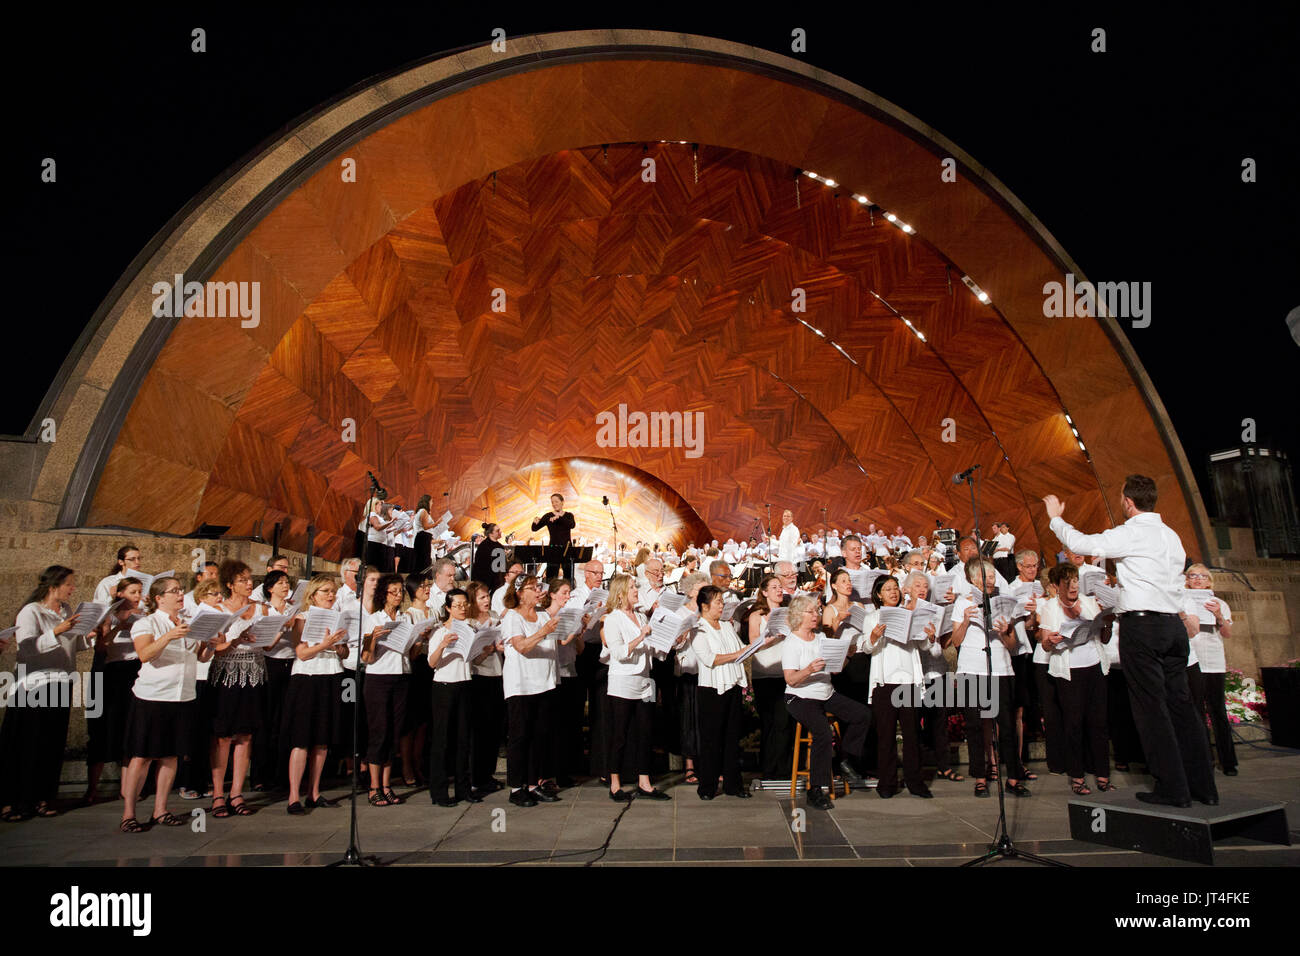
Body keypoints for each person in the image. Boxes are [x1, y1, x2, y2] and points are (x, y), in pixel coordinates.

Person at [1044, 476, 1217, 808]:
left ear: (1128, 502)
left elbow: (1080, 544)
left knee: (1152, 708)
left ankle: (1172, 788)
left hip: (1144, 627)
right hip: (1173, 627)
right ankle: (1203, 788)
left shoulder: (1132, 532)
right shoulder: (1172, 536)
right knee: (1182, 706)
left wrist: (1055, 518)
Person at [118, 577, 212, 831]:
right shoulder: (147, 623)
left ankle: (161, 809)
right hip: (153, 696)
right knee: (143, 756)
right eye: (174, 591)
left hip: (182, 695)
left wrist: (211, 643)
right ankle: (129, 812)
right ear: (159, 598)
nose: (180, 594)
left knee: (171, 755)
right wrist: (169, 636)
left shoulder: (188, 624)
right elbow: (145, 654)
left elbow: (199, 656)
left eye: (181, 590)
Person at [0, 566, 87, 821]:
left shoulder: (67, 611)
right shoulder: (31, 611)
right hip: (33, 685)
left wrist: (86, 635)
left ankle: (43, 797)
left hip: (61, 681)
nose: (72, 589)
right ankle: (13, 801)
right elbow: (27, 650)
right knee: (27, 744)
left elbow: (71, 645)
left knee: (51, 743)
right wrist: (57, 631)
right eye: (69, 584)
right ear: (53, 587)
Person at [949, 557, 1031, 798]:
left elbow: (1013, 644)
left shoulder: (1005, 602)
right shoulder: (963, 602)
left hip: (1000, 668)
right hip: (972, 667)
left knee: (1006, 724)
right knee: (974, 725)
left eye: (993, 576)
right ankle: (980, 777)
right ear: (973, 579)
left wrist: (1005, 632)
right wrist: (965, 620)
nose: (992, 581)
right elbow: (956, 641)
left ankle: (1014, 778)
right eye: (986, 577)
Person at [782, 594, 870, 811]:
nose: (815, 615)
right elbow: (791, 679)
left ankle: (844, 759)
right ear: (797, 615)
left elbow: (835, 669)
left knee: (862, 714)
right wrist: (809, 670)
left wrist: (845, 656)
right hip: (800, 696)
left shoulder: (821, 638)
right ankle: (815, 789)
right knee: (822, 731)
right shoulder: (792, 642)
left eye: (817, 611)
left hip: (826, 693)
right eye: (810, 612)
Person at [1038, 564, 1116, 795]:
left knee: (1099, 723)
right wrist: (1051, 640)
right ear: (1055, 586)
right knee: (1073, 724)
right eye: (1067, 582)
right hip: (1069, 671)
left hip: (1094, 667)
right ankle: (1077, 777)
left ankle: (1103, 775)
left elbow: (1104, 638)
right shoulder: (1050, 607)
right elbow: (1045, 643)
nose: (1073, 586)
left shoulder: (1089, 602)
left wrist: (1107, 623)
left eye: (1075, 581)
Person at [603, 574, 678, 801]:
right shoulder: (613, 619)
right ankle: (615, 783)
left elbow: (652, 648)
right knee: (620, 735)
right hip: (623, 683)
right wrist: (640, 636)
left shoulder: (640, 616)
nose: (637, 590)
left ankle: (644, 781)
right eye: (633, 587)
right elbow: (618, 652)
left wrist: (671, 641)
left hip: (646, 683)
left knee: (646, 731)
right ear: (620, 593)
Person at [281, 575, 349, 814]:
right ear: (312, 595)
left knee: (322, 740)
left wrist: (338, 646)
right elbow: (302, 652)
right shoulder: (302, 617)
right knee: (301, 740)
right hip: (307, 679)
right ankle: (293, 796)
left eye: (333, 591)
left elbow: (344, 652)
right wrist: (325, 643)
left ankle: (314, 792)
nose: (330, 595)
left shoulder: (339, 617)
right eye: (325, 591)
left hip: (331, 675)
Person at [863, 573, 934, 798]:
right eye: (888, 589)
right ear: (878, 595)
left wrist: (929, 636)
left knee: (912, 734)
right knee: (885, 736)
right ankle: (887, 783)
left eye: (895, 588)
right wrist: (874, 637)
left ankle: (915, 781)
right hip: (885, 683)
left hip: (908, 681)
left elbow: (921, 644)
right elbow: (866, 648)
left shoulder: (909, 614)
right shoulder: (872, 617)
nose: (893, 592)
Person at [207, 560, 264, 818]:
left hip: (253, 674)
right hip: (227, 675)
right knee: (223, 736)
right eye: (242, 580)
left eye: (250, 579)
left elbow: (269, 645)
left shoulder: (260, 609)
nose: (249, 583)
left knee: (246, 735)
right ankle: (219, 792)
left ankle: (237, 792)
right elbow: (214, 649)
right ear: (230, 584)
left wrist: (269, 636)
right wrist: (234, 641)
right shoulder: (218, 610)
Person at [84, 576, 145, 804]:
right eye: (132, 592)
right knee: (101, 730)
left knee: (129, 729)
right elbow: (101, 646)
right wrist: (120, 625)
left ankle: (127, 789)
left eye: (139, 592)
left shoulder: (144, 615)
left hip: (134, 669)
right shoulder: (108, 614)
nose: (137, 596)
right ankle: (92, 789)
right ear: (120, 594)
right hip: (110, 672)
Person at [500, 576, 560, 807]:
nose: (538, 591)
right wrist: (543, 631)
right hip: (521, 684)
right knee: (519, 736)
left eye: (538, 587)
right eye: (532, 588)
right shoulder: (512, 617)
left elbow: (555, 642)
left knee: (539, 736)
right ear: (519, 593)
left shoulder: (544, 614)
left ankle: (534, 784)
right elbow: (521, 646)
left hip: (543, 682)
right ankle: (516, 787)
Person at [690, 585, 751, 800]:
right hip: (711, 689)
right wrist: (737, 654)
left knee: (732, 738)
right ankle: (707, 786)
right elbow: (710, 658)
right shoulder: (699, 629)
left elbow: (741, 649)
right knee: (711, 740)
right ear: (705, 606)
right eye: (717, 602)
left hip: (731, 685)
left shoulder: (725, 626)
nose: (722, 606)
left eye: (722, 601)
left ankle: (733, 784)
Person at [360, 573, 412, 807]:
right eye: (393, 591)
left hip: (401, 676)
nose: (398, 595)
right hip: (378, 678)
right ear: (383, 594)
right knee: (379, 731)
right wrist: (373, 639)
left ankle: (387, 783)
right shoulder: (373, 619)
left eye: (401, 591)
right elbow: (366, 658)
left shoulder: (405, 618)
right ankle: (374, 786)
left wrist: (417, 640)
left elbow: (410, 653)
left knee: (394, 731)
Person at [426, 587, 480, 806]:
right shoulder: (440, 632)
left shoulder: (470, 629)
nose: (462, 609)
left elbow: (472, 658)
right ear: (448, 608)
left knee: (463, 739)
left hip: (465, 683)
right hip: (444, 686)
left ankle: (463, 788)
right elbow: (431, 662)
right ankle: (439, 792)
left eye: (465, 604)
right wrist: (442, 645)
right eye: (457, 605)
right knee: (442, 740)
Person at [1183, 564, 1237, 776]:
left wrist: (1218, 616)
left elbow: (1227, 633)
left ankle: (1229, 762)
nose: (1197, 579)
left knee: (1218, 711)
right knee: (1196, 712)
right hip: (1192, 660)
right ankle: (1204, 760)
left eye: (1202, 576)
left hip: (1213, 662)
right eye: (1192, 575)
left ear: (1209, 581)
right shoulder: (1183, 601)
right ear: (1187, 580)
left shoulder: (1219, 602)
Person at [179, 580, 223, 800]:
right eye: (214, 594)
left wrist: (215, 643)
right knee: (192, 732)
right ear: (202, 597)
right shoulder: (196, 617)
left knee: (206, 732)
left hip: (209, 676)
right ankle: (188, 782)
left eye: (219, 593)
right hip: (194, 677)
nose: (218, 598)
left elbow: (207, 654)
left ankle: (202, 779)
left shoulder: (217, 617)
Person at [253, 568, 295, 792]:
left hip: (290, 663)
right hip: (270, 663)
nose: (285, 586)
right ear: (269, 588)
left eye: (287, 582)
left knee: (285, 720)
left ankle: (281, 774)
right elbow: (265, 644)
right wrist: (283, 628)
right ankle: (260, 774)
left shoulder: (292, 609)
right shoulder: (264, 610)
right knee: (266, 719)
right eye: (280, 583)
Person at [748, 574, 794, 780]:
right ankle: (768, 769)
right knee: (768, 722)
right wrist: (775, 637)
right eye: (774, 587)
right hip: (764, 673)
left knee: (784, 723)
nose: (779, 590)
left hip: (785, 673)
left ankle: (783, 769)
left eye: (780, 587)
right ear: (764, 592)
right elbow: (753, 644)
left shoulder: (788, 613)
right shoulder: (756, 615)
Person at [464, 581, 505, 795]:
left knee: (493, 729)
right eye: (482, 597)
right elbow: (472, 658)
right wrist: (488, 650)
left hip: (498, 674)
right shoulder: (469, 622)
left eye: (487, 596)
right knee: (479, 730)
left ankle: (487, 775)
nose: (487, 600)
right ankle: (475, 778)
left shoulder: (495, 617)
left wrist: (499, 647)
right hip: (479, 678)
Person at [532, 493, 576, 578]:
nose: (554, 504)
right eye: (552, 502)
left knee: (568, 576)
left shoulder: (568, 515)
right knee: (551, 576)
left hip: (567, 549)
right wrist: (535, 521)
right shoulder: (548, 516)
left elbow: (572, 525)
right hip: (553, 549)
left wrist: (559, 517)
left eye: (556, 501)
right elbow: (534, 528)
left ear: (562, 502)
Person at [471, 522, 508, 588]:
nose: (500, 532)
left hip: (493, 581)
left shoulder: (498, 546)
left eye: (499, 530)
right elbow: (479, 566)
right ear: (491, 533)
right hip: (487, 582)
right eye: (497, 531)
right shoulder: (484, 546)